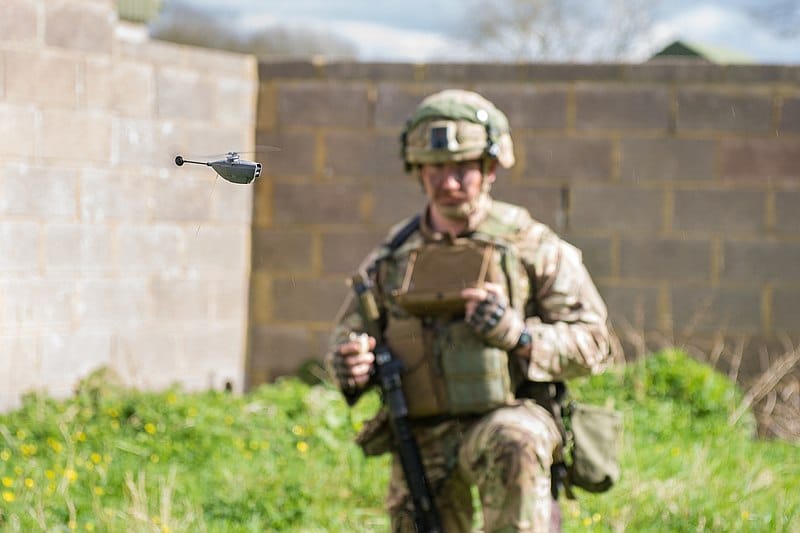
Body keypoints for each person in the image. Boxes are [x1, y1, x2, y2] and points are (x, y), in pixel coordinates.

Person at [326, 89, 616, 532]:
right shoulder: (391, 259)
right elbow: (348, 340)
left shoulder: (531, 245)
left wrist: (517, 335)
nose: (448, 182)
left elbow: (595, 342)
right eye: (435, 168)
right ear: (417, 171)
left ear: (491, 168)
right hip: (420, 432)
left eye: (463, 168)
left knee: (513, 441)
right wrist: (353, 364)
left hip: (508, 415)